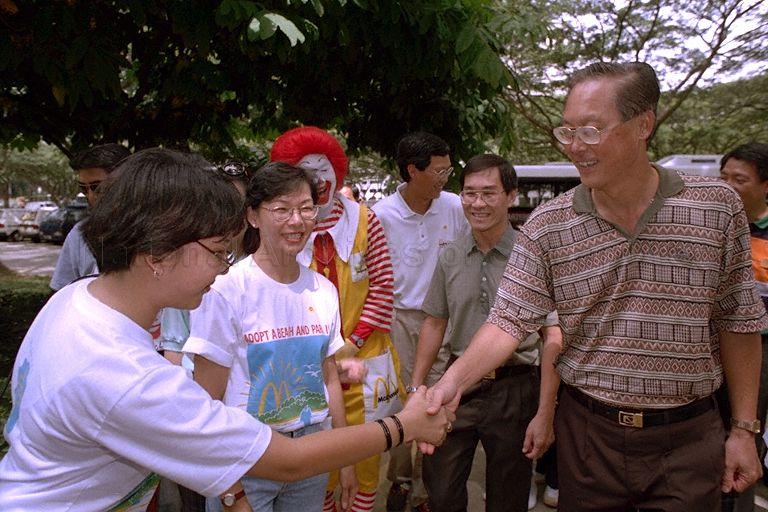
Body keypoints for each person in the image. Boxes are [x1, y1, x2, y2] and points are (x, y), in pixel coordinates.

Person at [0, 148, 453, 512]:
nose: (221, 270)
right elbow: (288, 461)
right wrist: (405, 424)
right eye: (218, 251)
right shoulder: (124, 375)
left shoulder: (75, 302)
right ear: (157, 253)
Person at [425, 62, 768, 512]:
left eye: (590, 131)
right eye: (566, 131)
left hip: (687, 440)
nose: (575, 147)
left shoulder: (715, 208)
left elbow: (738, 320)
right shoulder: (549, 226)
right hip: (589, 439)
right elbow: (508, 320)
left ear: (644, 124)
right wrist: (447, 385)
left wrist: (744, 429)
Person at [184, 161, 355, 511]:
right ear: (252, 217)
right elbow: (206, 401)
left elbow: (328, 378)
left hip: (310, 454)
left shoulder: (322, 290)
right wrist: (230, 488)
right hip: (247, 455)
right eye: (281, 209)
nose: (296, 221)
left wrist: (346, 460)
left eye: (306, 209)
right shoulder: (226, 291)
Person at [411, 154, 561, 511]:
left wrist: (545, 411)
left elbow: (552, 336)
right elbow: (434, 323)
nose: (477, 203)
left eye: (489, 193)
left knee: (507, 498)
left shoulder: (532, 256)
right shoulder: (450, 257)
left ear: (510, 196)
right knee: (442, 491)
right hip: (456, 386)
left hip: (516, 386)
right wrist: (416, 389)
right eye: (469, 193)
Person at [270, 126, 399, 512]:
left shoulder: (366, 220)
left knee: (366, 459)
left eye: (324, 167)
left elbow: (383, 288)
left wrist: (352, 343)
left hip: (364, 362)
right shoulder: (286, 228)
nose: (318, 178)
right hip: (309, 363)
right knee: (315, 463)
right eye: (306, 169)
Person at [372, 131, 467, 512]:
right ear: (413, 170)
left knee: (437, 401)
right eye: (439, 171)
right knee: (398, 402)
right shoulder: (381, 215)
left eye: (448, 170)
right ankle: (399, 481)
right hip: (397, 321)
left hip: (441, 320)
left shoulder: (455, 207)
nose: (445, 178)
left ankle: (429, 489)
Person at [719, 141, 768, 512]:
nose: (729, 186)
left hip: (759, 352)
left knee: (746, 430)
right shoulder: (714, 227)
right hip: (713, 347)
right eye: (724, 178)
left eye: (740, 179)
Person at [50, 143, 131, 291]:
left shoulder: (158, 230)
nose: (90, 196)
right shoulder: (79, 234)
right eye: (83, 188)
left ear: (126, 182)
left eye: (97, 187)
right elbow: (61, 291)